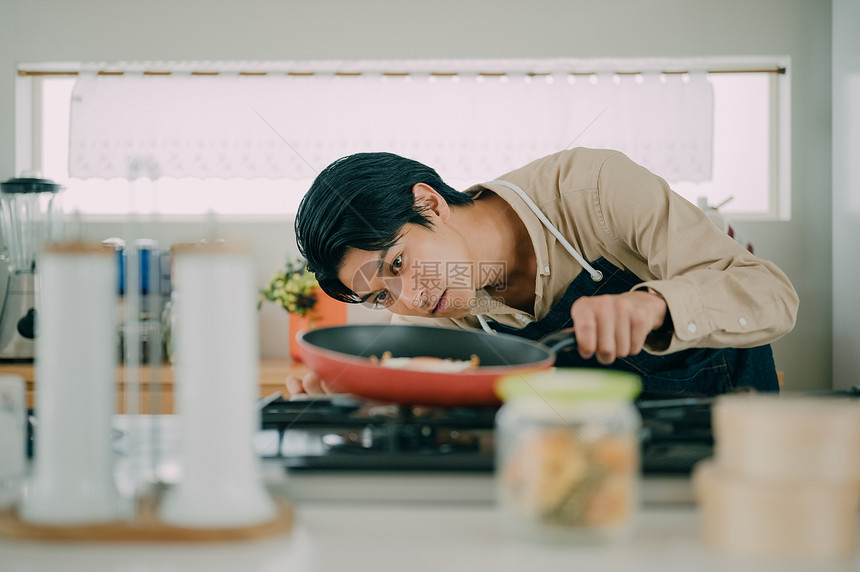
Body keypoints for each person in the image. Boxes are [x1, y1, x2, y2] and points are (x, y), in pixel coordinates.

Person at [286, 148, 798, 397]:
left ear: (429, 202)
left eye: (397, 263)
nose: (410, 300)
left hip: (732, 433)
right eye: (380, 297)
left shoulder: (594, 189)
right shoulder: (425, 327)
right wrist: (363, 410)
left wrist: (654, 305)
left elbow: (771, 293)